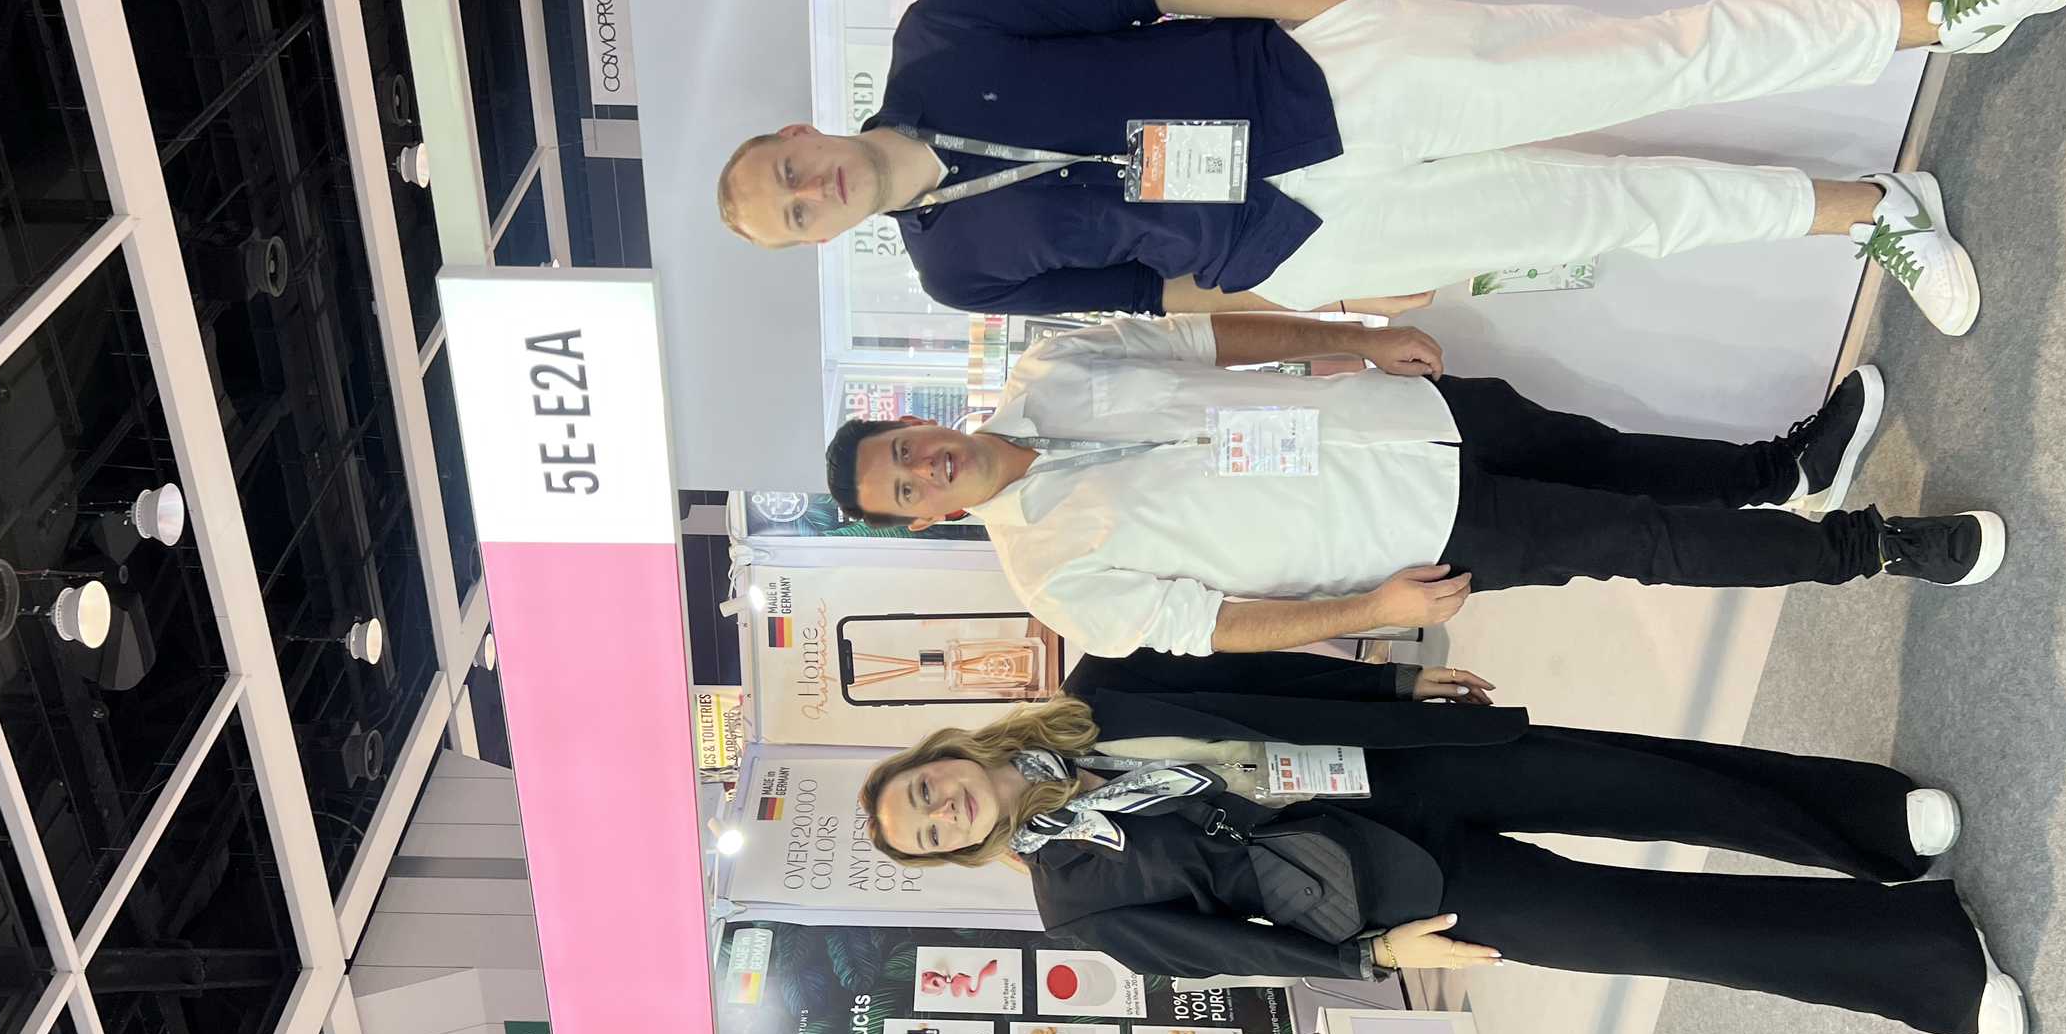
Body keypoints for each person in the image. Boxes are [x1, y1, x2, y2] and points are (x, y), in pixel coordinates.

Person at [714, 0, 2066, 336]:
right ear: (818, 238)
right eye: (794, 215)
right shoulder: (955, 275)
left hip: (1323, 81)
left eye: (786, 170)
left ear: (796, 128)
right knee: (1609, 213)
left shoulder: (936, 43)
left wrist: (1338, 11)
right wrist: (1333, 303)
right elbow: (1150, 291)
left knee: (1645, 64)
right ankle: (1868, 213)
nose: (809, 190)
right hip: (1303, 237)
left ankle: (1940, 11)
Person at [856, 649, 2033, 1034]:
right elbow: (1216, 957)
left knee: (1649, 781)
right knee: (1656, 933)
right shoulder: (1074, 902)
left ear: (938, 754)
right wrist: (1375, 960)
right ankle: (1930, 958)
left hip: (1402, 763)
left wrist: (1395, 680)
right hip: (1394, 890)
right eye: (925, 832)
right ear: (949, 851)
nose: (939, 809)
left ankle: (1870, 827)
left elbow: (1256, 682)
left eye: (921, 791)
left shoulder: (1097, 695)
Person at [824, 310, 1999, 658]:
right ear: (921, 519)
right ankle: (1872, 548)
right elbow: (1211, 626)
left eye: (903, 448)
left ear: (912, 421)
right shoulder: (1053, 577)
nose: (923, 468)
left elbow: (1202, 343)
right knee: (1641, 539)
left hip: (1399, 415)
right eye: (906, 491)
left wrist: (1361, 335)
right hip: (1407, 529)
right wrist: (1372, 612)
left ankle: (1782, 467)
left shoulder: (1052, 368)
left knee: (1601, 448)